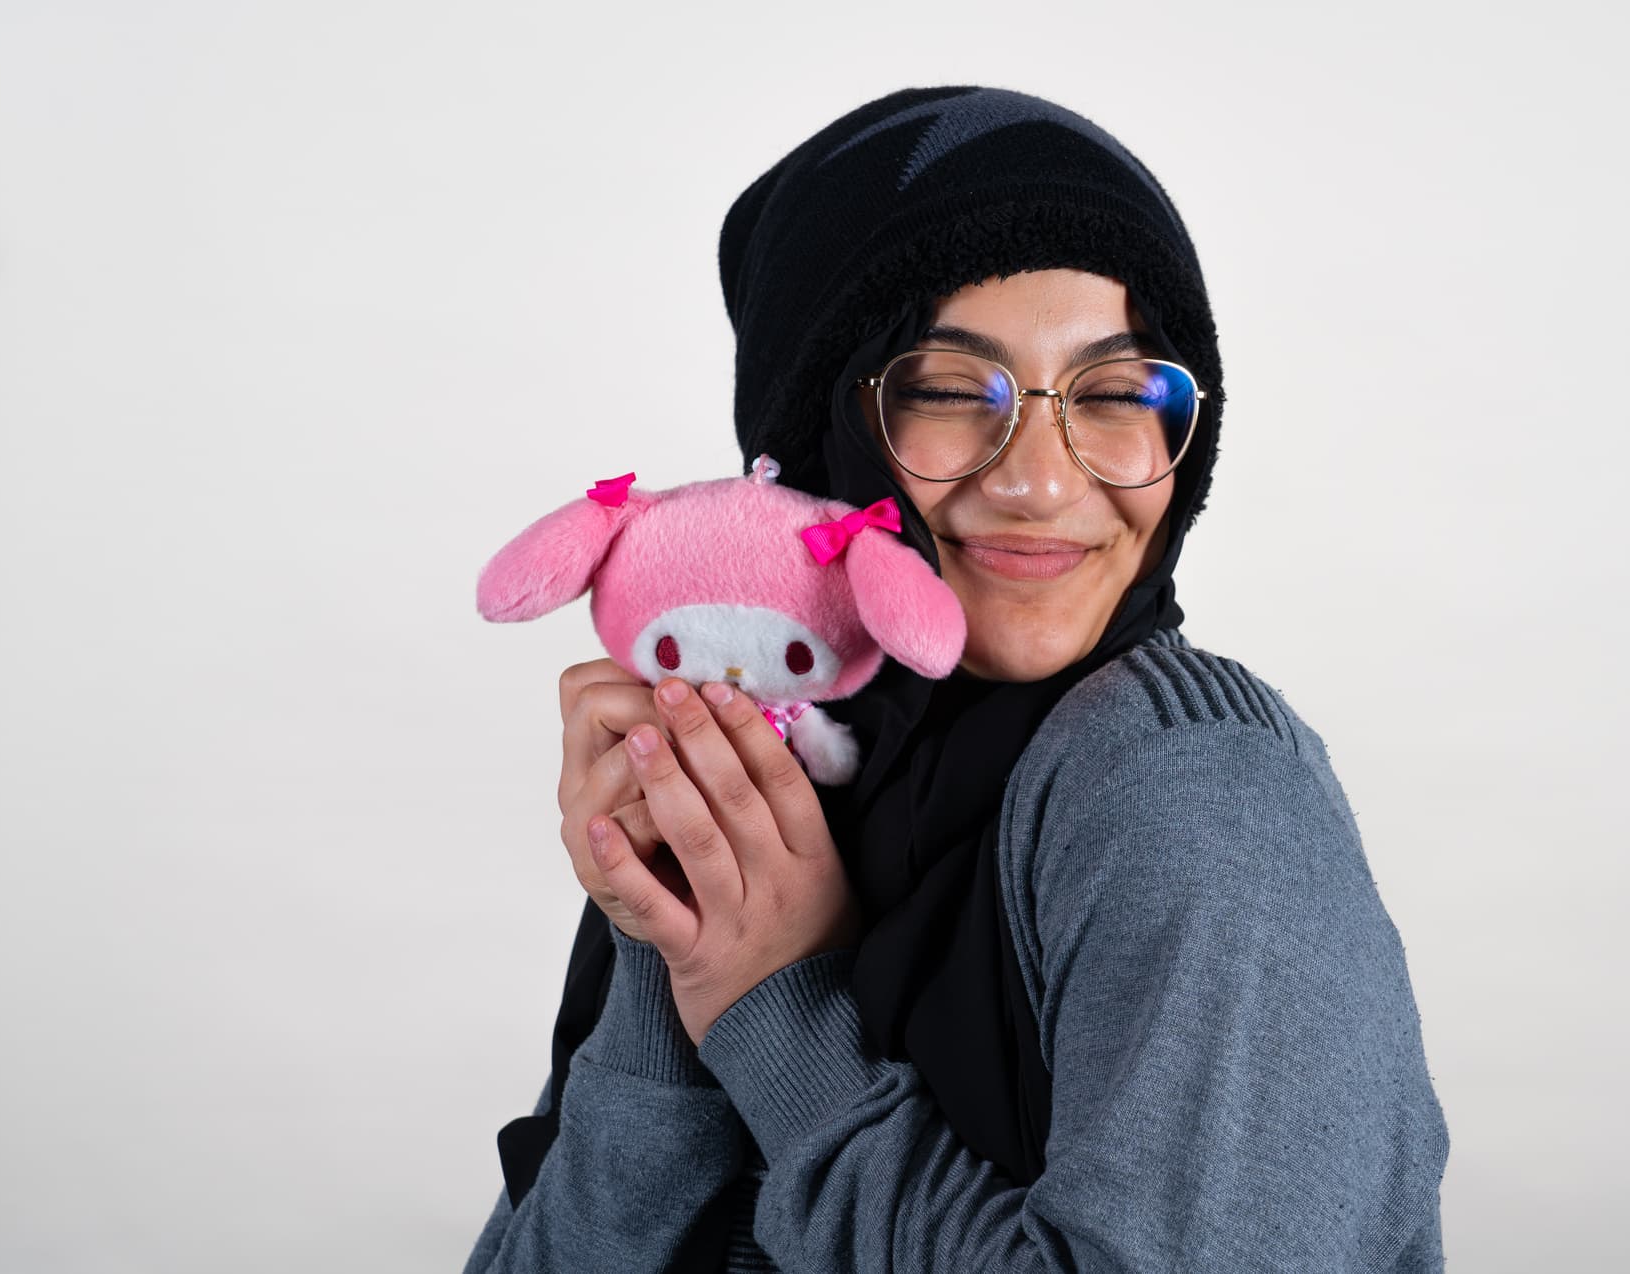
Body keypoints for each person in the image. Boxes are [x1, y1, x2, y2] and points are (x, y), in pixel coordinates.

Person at [462, 85, 1450, 1272]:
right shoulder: (780, 767)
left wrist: (776, 1006)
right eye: (944, 390)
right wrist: (674, 932)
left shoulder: (1182, 787)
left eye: (1116, 392)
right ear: (819, 428)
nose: (1041, 481)